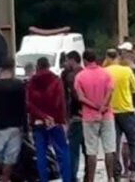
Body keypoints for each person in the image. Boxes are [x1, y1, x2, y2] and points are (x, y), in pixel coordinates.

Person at [27, 57, 72, 182]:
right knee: (62, 151)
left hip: (38, 122)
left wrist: (41, 116)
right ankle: (67, 179)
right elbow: (60, 101)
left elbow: (29, 103)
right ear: (48, 66)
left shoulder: (32, 82)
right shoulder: (56, 80)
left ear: (38, 66)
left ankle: (43, 179)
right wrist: (60, 119)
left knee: (41, 153)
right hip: (55, 121)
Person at [74, 50, 115, 182]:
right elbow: (110, 92)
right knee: (109, 149)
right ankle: (110, 177)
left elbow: (81, 97)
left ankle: (91, 179)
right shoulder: (106, 74)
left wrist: (94, 106)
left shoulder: (80, 76)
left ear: (84, 60)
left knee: (91, 151)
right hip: (107, 115)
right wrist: (103, 106)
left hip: (89, 117)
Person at [0, 58, 27, 182]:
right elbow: (23, 107)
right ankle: (5, 177)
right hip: (15, 126)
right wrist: (25, 127)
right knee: (11, 156)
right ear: (13, 69)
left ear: (0, 69)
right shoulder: (19, 85)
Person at [105, 49, 135, 179]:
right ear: (118, 57)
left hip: (111, 112)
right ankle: (134, 170)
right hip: (127, 110)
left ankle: (116, 172)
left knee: (114, 144)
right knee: (134, 141)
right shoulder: (127, 71)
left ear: (107, 57)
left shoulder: (104, 72)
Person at [61, 51, 85, 182]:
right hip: (89, 116)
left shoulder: (69, 76)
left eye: (67, 60)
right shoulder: (86, 73)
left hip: (75, 116)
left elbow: (67, 97)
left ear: (72, 60)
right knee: (88, 150)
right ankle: (88, 175)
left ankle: (71, 177)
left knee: (73, 149)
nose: (66, 63)